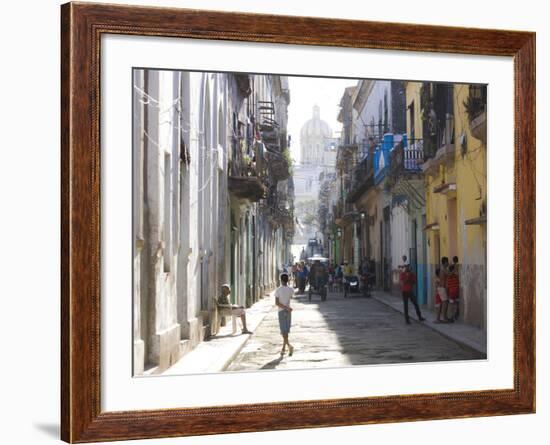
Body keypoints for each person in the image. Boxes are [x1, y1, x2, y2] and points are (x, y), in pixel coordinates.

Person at [275, 273, 294, 356]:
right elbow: (290, 298)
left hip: (281, 311)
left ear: (281, 280)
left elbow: (277, 303)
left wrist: (285, 308)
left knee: (284, 331)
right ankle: (283, 348)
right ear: (288, 280)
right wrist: (287, 307)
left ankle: (289, 346)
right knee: (285, 331)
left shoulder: (278, 290)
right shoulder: (291, 290)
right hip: (289, 311)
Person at [438, 257, 452, 322]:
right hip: (442, 288)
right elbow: (450, 274)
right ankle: (444, 317)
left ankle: (444, 317)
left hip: (442, 288)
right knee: (445, 302)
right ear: (445, 262)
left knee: (444, 302)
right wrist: (454, 268)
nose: (448, 263)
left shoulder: (443, 269)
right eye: (447, 262)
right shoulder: (444, 269)